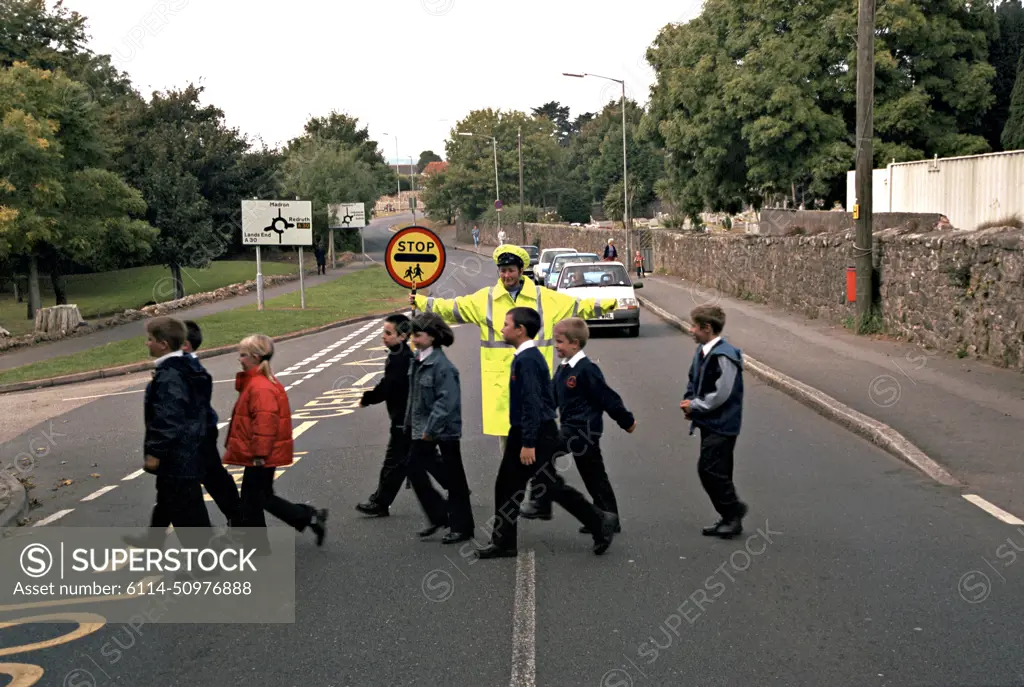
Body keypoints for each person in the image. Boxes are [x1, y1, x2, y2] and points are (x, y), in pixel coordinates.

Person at [410, 244, 618, 449]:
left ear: (520, 271)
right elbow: (451, 308)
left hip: (534, 381)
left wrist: (604, 305)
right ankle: (520, 479)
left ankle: (540, 478)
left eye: (510, 270)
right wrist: (421, 301)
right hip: (501, 386)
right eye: (502, 271)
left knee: (537, 440)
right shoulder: (486, 298)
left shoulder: (543, 297)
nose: (506, 275)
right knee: (509, 444)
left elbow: (577, 306)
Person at [520, 318, 635, 533]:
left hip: (584, 430)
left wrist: (626, 421)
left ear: (575, 343)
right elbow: (552, 397)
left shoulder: (587, 370)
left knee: (545, 451)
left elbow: (608, 398)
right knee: (594, 475)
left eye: (560, 342)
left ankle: (541, 502)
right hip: (572, 429)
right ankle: (607, 517)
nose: (556, 346)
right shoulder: (564, 368)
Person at [222, 334, 328, 551]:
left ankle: (303, 519)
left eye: (242, 355)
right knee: (260, 497)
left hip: (261, 455)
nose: (239, 359)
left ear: (255, 357)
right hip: (260, 453)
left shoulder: (260, 387)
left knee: (254, 499)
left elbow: (265, 423)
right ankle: (304, 519)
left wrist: (260, 454)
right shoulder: (256, 383)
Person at [124, 316, 213, 550]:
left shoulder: (170, 375)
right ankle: (154, 539)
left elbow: (168, 418)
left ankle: (205, 564)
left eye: (150, 339)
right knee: (169, 497)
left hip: (178, 454)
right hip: (188, 450)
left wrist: (154, 452)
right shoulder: (185, 367)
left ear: (163, 344)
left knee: (187, 514)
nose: (147, 344)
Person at [356, 314, 449, 516]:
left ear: (403, 336)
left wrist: (368, 398)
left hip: (404, 419)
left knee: (395, 461)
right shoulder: (400, 356)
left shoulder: (401, 360)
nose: (384, 337)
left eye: (389, 333)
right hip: (408, 418)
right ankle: (456, 487)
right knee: (426, 458)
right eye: (384, 332)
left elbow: (388, 387)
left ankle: (381, 502)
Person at [404, 313, 475, 544]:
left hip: (443, 430)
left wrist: (429, 431)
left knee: (454, 478)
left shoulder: (442, 366)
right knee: (414, 468)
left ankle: (462, 527)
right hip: (423, 428)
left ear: (432, 337)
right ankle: (439, 515)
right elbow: (414, 398)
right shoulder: (419, 360)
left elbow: (446, 403)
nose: (413, 338)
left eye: (418, 334)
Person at [681, 305, 748, 538]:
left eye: (694, 327)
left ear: (707, 328)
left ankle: (733, 511)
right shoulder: (702, 351)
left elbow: (722, 393)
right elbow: (694, 380)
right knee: (720, 471)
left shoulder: (723, 355)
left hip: (723, 423)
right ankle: (729, 517)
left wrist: (696, 406)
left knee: (709, 470)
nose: (691, 330)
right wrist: (689, 401)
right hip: (710, 423)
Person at [182, 320, 241, 526]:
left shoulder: (189, 371)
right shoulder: (185, 368)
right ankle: (239, 519)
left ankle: (239, 520)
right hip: (200, 432)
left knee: (207, 479)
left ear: (185, 345)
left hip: (196, 435)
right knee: (213, 477)